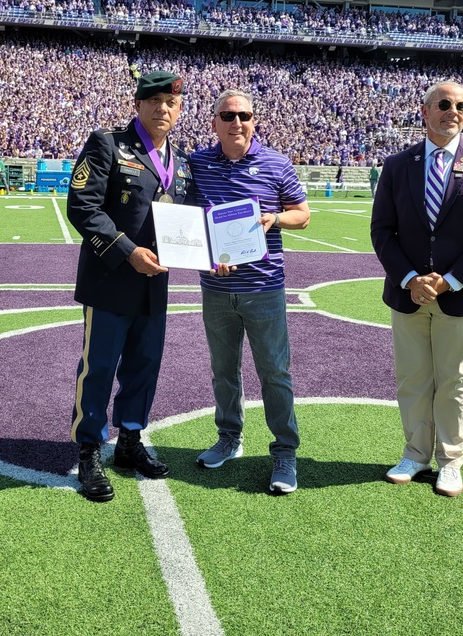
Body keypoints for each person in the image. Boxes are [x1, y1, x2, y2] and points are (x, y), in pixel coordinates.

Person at [370, 81, 463, 497]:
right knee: (413, 378)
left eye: (462, 105)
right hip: (407, 293)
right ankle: (415, 453)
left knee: (455, 380)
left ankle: (450, 461)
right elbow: (382, 230)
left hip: (460, 297)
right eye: (445, 104)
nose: (454, 111)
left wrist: (447, 281)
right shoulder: (398, 165)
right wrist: (410, 279)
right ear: (425, 111)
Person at [66, 70, 193, 502]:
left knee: (144, 367)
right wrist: (127, 251)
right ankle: (88, 450)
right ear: (137, 105)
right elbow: (82, 207)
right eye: (155, 100)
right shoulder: (108, 144)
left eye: (171, 103)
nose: (163, 108)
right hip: (110, 280)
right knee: (98, 368)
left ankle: (129, 441)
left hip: (155, 285)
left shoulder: (183, 162)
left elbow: (188, 222)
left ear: (179, 110)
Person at [189, 89, 311, 495]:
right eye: (227, 115)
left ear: (254, 120)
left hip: (264, 288)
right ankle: (229, 437)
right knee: (224, 371)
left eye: (243, 115)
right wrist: (206, 256)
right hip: (216, 287)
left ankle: (285, 451)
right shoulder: (199, 164)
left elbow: (303, 214)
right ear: (214, 123)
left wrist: (274, 218)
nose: (236, 122)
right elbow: (189, 223)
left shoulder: (276, 163)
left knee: (274, 373)